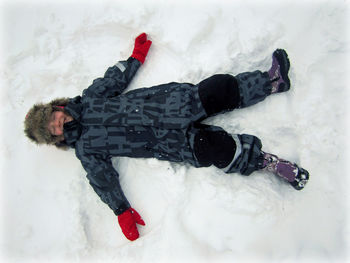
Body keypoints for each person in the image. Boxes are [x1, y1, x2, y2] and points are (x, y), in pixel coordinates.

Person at [24, 33, 309, 241]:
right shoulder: (85, 150)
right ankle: (267, 163)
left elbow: (115, 78)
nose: (57, 123)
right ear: (55, 138)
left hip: (172, 105)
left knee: (218, 88)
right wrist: (121, 210)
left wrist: (135, 57)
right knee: (216, 150)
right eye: (52, 129)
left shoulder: (90, 98)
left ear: (56, 107)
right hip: (168, 143)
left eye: (53, 117)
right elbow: (103, 181)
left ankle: (272, 82)